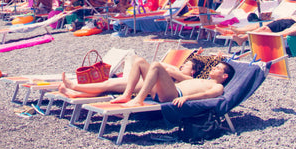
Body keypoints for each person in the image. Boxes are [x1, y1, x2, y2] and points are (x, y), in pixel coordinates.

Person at [58, 54, 206, 99]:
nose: (183, 65)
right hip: (149, 83)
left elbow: (171, 72)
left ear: (192, 71)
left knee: (111, 85)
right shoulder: (178, 74)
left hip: (155, 89)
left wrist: (174, 70)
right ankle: (77, 93)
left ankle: (76, 88)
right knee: (111, 85)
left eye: (186, 65)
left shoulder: (192, 80)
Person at [109, 58, 235, 108]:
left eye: (217, 68)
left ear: (225, 76)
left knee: (157, 66)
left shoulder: (217, 86)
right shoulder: (201, 80)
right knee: (139, 61)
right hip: (165, 90)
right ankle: (127, 94)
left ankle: (138, 100)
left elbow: (207, 96)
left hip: (173, 96)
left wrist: (187, 98)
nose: (213, 68)